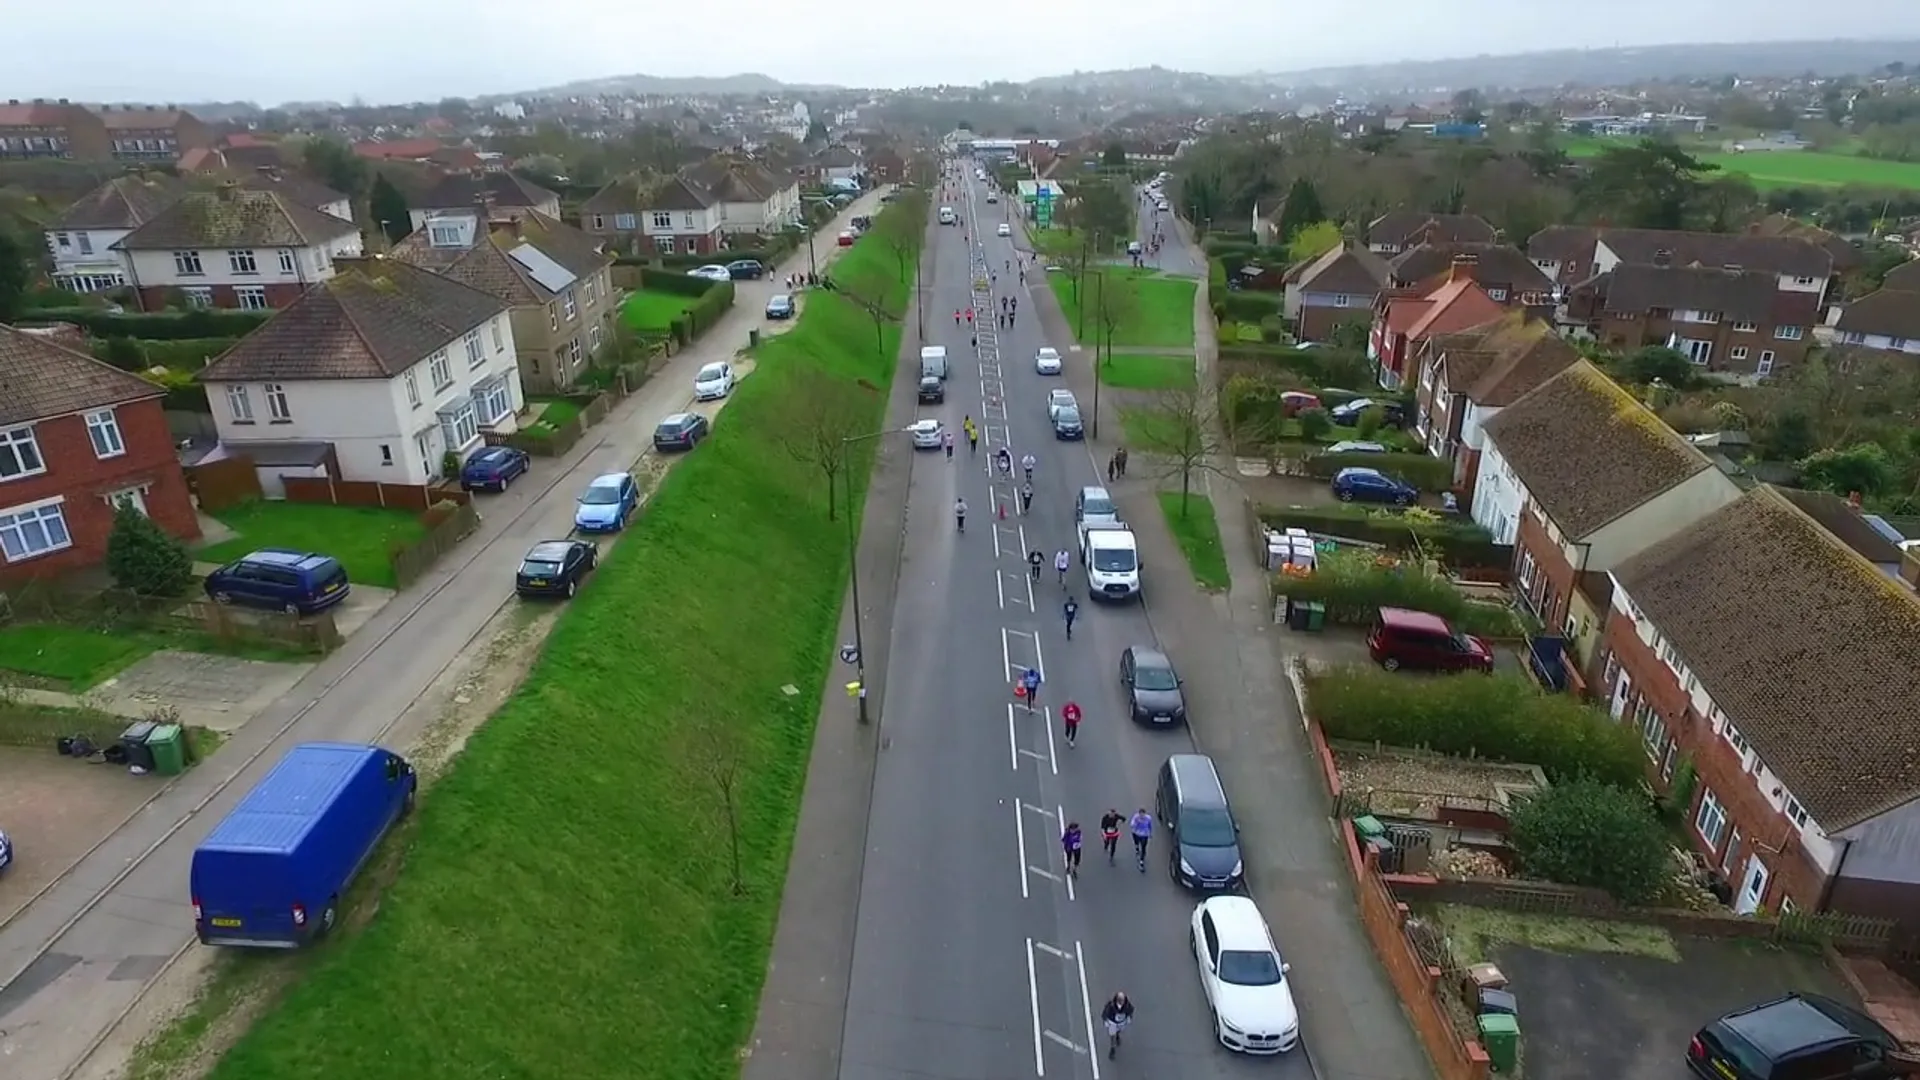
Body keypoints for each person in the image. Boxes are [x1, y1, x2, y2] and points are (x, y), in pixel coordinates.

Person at [1101, 992, 1134, 1058]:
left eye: (1122, 1000)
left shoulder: (1127, 1005)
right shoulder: (1111, 1005)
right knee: (1112, 1035)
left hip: (1121, 1022)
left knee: (1118, 1031)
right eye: (1119, 999)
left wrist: (1129, 1017)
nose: (1121, 1001)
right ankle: (1112, 1048)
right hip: (1113, 1022)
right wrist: (1105, 1019)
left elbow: (1131, 1010)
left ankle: (1117, 1035)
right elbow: (1105, 1012)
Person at [1129, 808, 1153, 872]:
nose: (1142, 816)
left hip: (1144, 835)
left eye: (1143, 814)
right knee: (1136, 843)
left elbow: (1150, 826)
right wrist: (1136, 823)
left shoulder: (1148, 818)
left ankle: (1141, 861)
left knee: (1143, 847)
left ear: (1145, 814)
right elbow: (1132, 824)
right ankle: (1137, 848)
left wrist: (1150, 833)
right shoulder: (1136, 817)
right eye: (1141, 814)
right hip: (1136, 833)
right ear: (1139, 814)